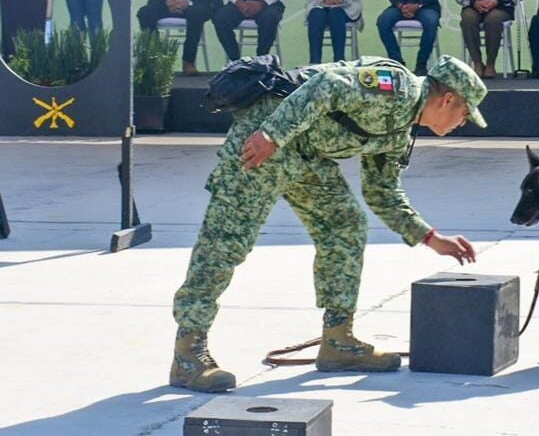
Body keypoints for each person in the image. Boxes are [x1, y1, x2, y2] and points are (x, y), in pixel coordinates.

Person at [169, 54, 485, 392]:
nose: (462, 122)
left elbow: (382, 192)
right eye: (465, 113)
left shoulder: (400, 129)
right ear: (448, 99)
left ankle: (338, 340)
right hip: (264, 135)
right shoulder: (397, 89)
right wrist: (272, 135)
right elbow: (327, 85)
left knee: (345, 225)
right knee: (226, 238)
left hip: (304, 153)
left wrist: (429, 237)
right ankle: (188, 353)